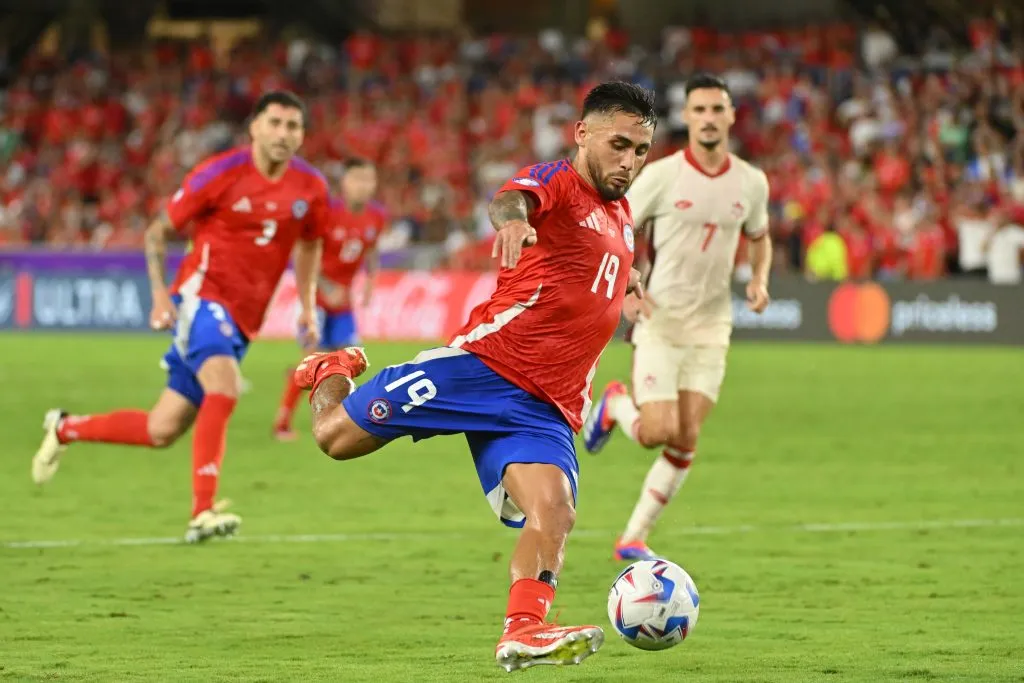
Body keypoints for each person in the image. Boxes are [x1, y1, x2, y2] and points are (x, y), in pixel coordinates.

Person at [291, 82, 656, 672]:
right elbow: (512, 201)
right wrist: (512, 222)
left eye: (641, 150)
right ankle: (330, 368)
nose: (629, 161)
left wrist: (628, 279)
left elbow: (598, 258)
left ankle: (524, 630)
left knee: (555, 510)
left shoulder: (621, 212)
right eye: (619, 144)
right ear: (582, 134)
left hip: (547, 406)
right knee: (334, 437)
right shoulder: (556, 181)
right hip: (484, 368)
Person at [31, 91, 330, 543]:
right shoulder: (219, 174)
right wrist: (159, 296)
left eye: (293, 126)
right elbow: (158, 231)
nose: (283, 134)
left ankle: (65, 427)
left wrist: (307, 304)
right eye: (274, 123)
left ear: (302, 135)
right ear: (254, 127)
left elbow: (310, 243)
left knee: (162, 429)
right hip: (201, 296)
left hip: (245, 318)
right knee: (224, 385)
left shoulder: (310, 188)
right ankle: (202, 511)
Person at [582, 73, 773, 562]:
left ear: (731, 117)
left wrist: (759, 279)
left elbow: (759, 234)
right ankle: (616, 405)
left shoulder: (751, 182)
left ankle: (633, 537)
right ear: (686, 117)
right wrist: (625, 292)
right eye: (700, 110)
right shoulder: (664, 176)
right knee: (656, 433)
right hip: (662, 321)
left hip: (712, 328)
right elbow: (619, 226)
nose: (709, 118)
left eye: (717, 109)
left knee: (687, 438)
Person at [273, 157, 385, 440]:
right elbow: (304, 252)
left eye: (369, 180)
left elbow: (371, 249)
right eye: (358, 179)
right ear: (345, 183)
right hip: (317, 299)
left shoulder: (376, 216)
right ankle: (282, 422)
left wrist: (370, 281)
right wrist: (325, 286)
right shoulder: (327, 213)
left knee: (349, 360)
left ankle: (346, 423)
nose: (364, 186)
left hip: (343, 303)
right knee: (311, 360)